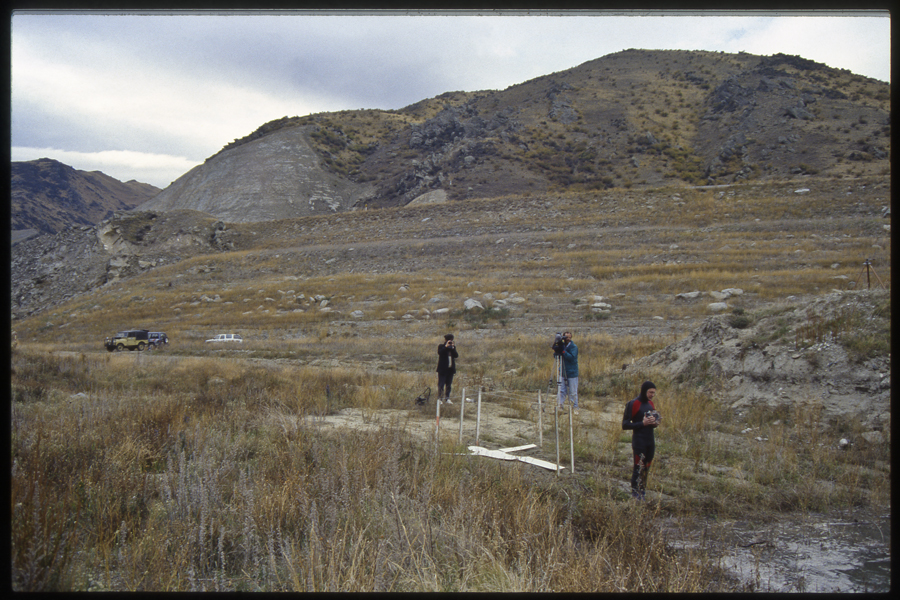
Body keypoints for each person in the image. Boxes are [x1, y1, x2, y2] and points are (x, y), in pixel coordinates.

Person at [622, 381, 660, 500]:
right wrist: (642, 423)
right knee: (638, 467)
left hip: (650, 440)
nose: (652, 395)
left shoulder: (651, 404)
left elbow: (654, 423)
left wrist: (655, 423)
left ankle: (642, 491)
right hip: (639, 441)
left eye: (654, 393)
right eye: (650, 392)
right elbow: (625, 425)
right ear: (644, 391)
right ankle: (635, 492)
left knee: (647, 467)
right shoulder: (633, 404)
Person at [552, 331, 579, 415]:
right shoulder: (562, 346)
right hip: (562, 371)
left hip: (572, 372)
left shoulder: (574, 347)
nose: (568, 339)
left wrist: (563, 351)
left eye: (569, 337)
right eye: (566, 337)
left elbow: (572, 358)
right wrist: (557, 350)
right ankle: (560, 405)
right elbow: (556, 355)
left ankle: (575, 407)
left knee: (573, 391)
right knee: (561, 390)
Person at [436, 333, 458, 403]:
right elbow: (440, 353)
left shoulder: (452, 347)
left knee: (449, 384)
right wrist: (446, 347)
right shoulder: (441, 346)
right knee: (441, 384)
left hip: (450, 369)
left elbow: (456, 355)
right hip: (443, 370)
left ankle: (447, 398)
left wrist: (453, 348)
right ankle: (440, 398)